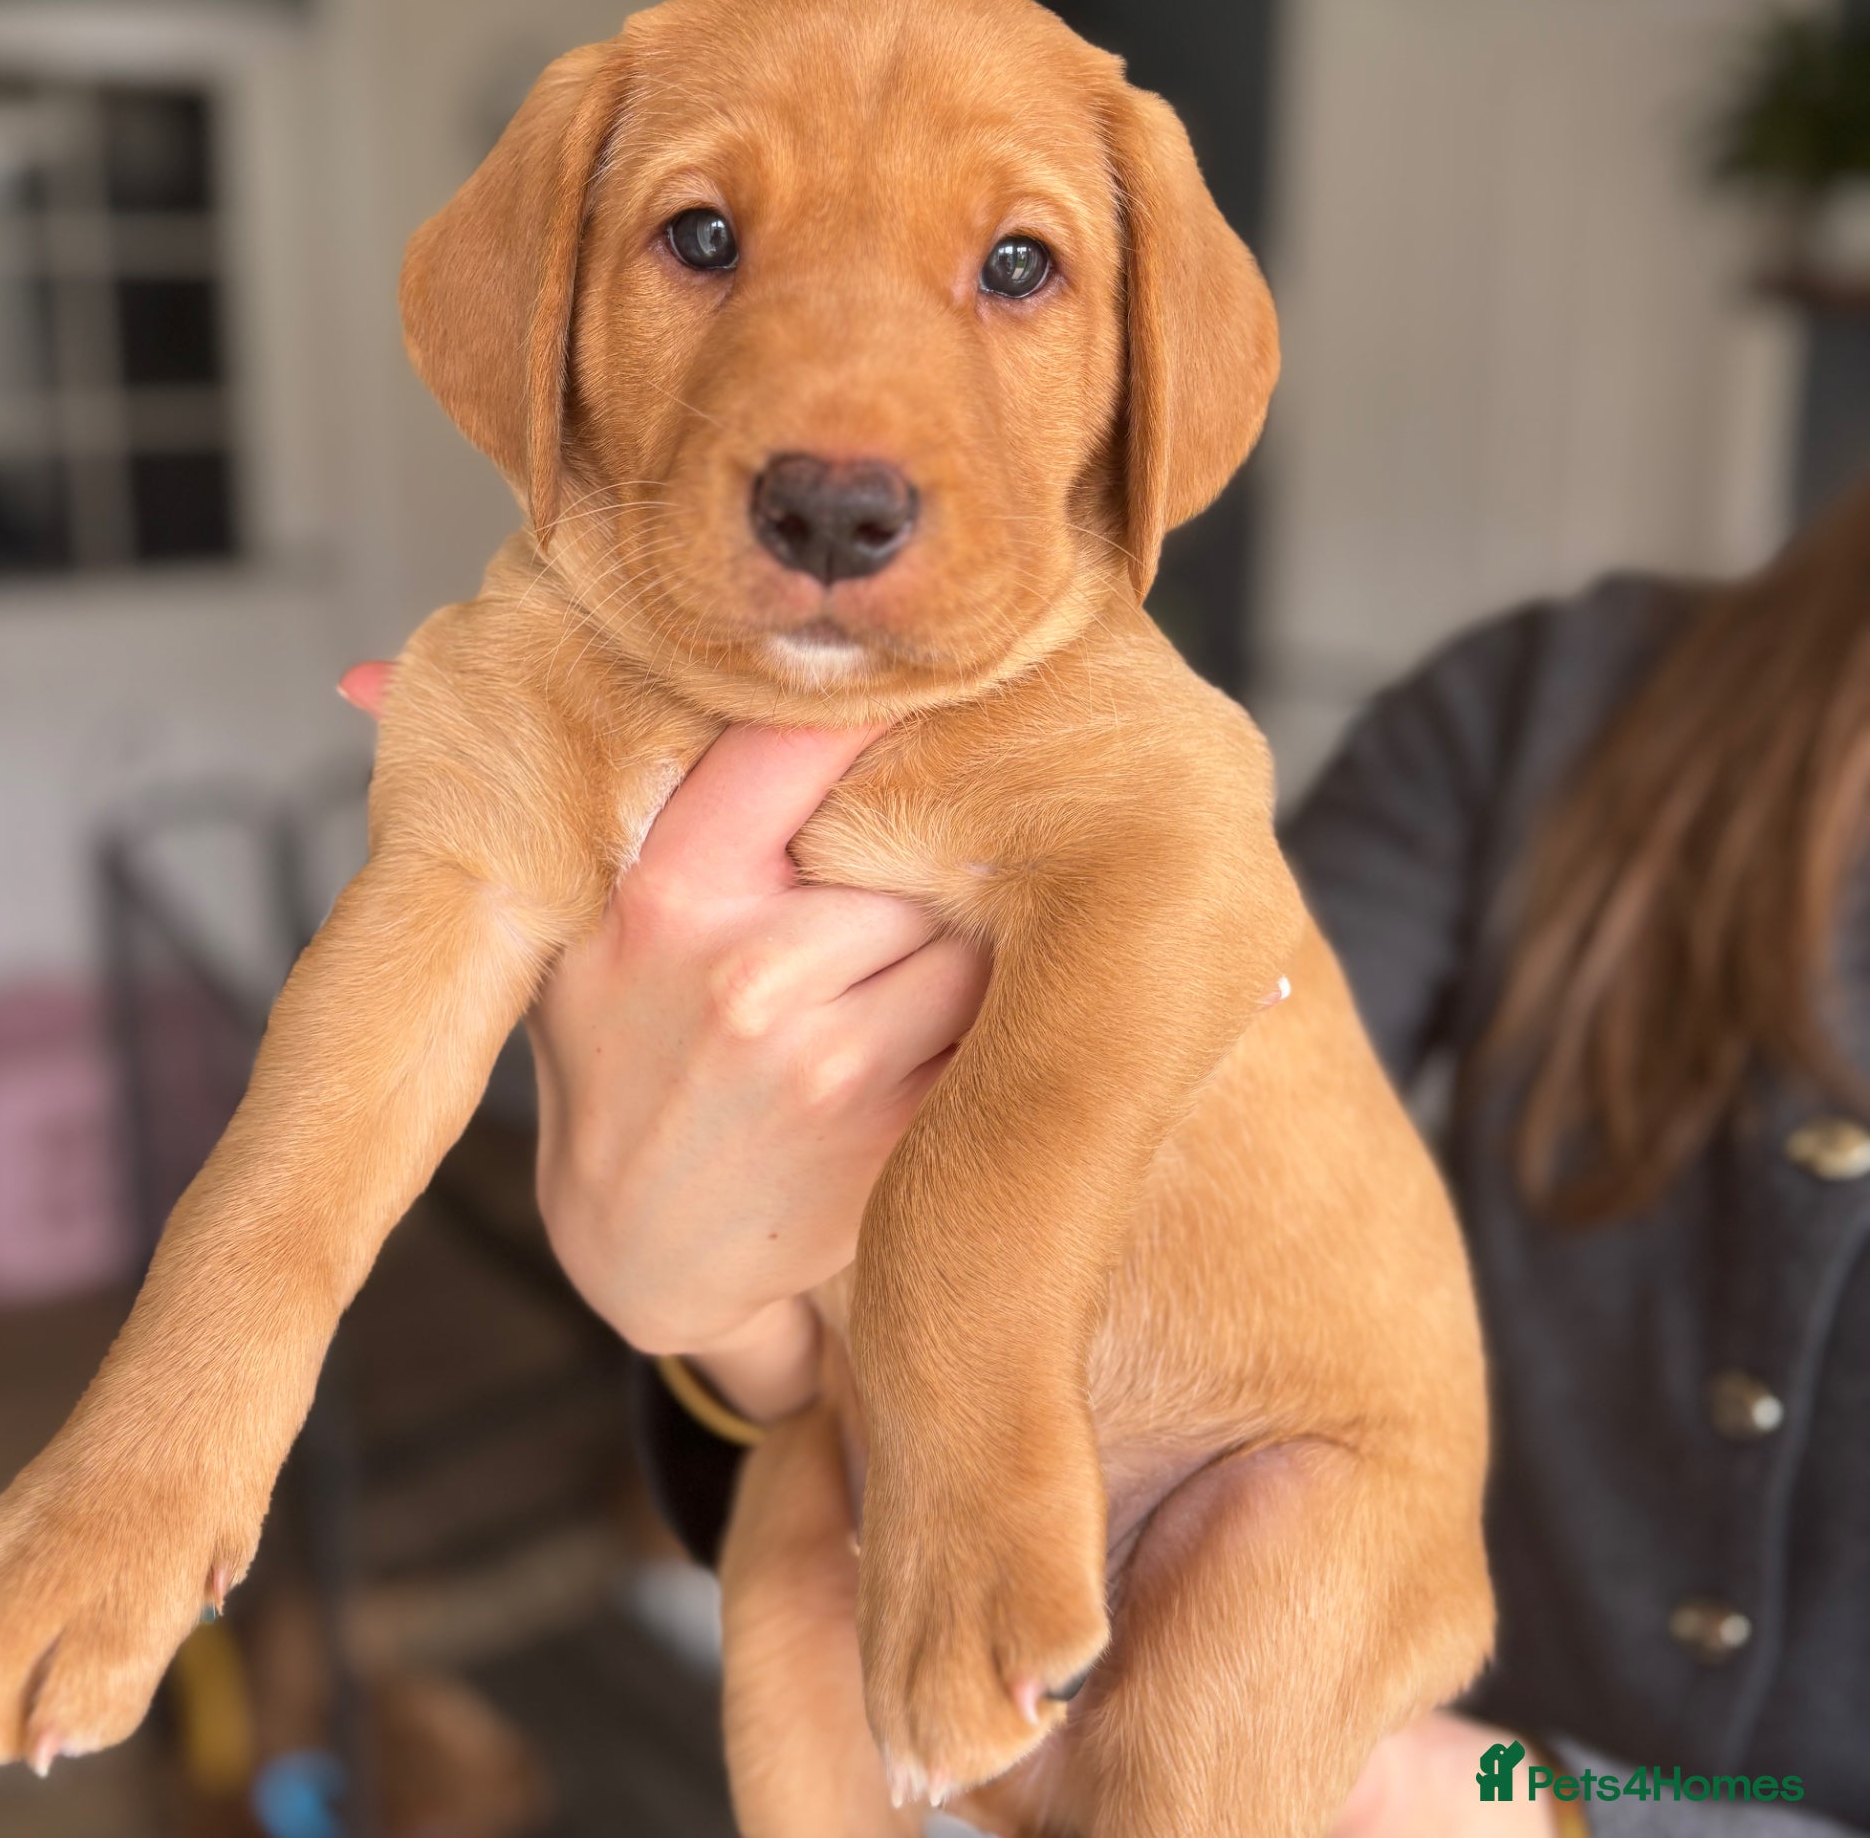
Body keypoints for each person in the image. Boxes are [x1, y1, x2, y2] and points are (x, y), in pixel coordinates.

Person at [340, 477, 1869, 1834]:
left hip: (1386, 1758)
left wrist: (1511, 1809)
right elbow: (1157, 1076)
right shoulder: (1558, 705)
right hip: (1170, 1666)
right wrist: (704, 1300)